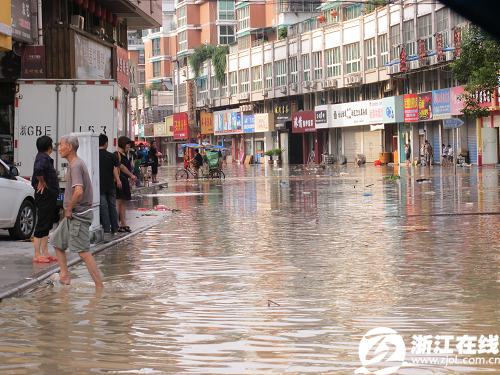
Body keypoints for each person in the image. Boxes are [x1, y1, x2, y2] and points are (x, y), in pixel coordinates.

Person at [51, 135, 103, 288]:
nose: (59, 148)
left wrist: (68, 208)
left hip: (77, 216)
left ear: (70, 147)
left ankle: (100, 287)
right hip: (73, 215)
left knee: (83, 252)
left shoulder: (75, 166)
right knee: (56, 241)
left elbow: (78, 192)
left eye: (61, 145)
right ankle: (65, 275)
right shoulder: (75, 164)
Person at [32, 136, 60, 263]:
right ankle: (37, 254)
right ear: (49, 147)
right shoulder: (42, 158)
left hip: (49, 196)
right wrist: (42, 181)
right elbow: (38, 170)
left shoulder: (43, 157)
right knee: (42, 224)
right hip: (44, 196)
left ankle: (45, 252)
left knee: (47, 225)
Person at [98, 134, 121, 235]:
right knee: (112, 206)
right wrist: (118, 179)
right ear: (106, 143)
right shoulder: (112, 156)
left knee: (104, 208)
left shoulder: (94, 156)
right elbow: (115, 168)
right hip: (111, 186)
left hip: (100, 187)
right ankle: (115, 229)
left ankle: (106, 229)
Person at [115, 136, 137, 233]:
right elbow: (119, 168)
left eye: (129, 145)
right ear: (122, 144)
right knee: (118, 203)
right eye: (127, 145)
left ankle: (123, 223)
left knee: (123, 203)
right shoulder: (116, 154)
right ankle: (116, 224)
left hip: (124, 181)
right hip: (119, 182)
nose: (129, 147)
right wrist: (119, 179)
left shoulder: (125, 154)